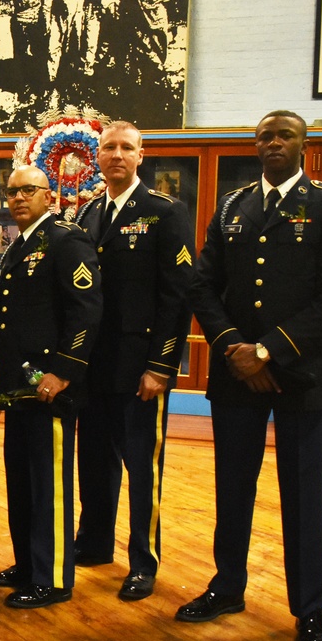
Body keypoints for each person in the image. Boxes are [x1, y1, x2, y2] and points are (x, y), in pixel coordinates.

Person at [177, 111, 322, 641]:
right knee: (233, 489)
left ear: (305, 144)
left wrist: (267, 350)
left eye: (285, 136)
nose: (274, 143)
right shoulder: (232, 204)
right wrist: (234, 346)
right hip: (236, 377)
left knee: (302, 498)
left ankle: (309, 611)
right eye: (265, 136)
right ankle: (227, 587)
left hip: (297, 375)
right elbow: (204, 286)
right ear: (255, 145)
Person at [0, 165, 101, 608]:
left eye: (28, 191)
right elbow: (6, 313)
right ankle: (27, 563)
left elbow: (86, 310)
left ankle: (53, 577)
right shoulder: (21, 243)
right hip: (17, 388)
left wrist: (64, 371)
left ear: (48, 195)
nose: (18, 198)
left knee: (49, 485)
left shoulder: (65, 239)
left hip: (50, 388)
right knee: (21, 481)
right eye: (12, 191)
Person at [73, 121, 194, 601]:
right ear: (97, 157)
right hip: (93, 367)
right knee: (94, 462)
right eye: (109, 148)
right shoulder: (86, 213)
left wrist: (162, 365)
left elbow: (178, 294)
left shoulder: (165, 212)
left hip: (141, 367)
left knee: (143, 470)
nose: (117, 155)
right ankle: (96, 542)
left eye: (127, 148)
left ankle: (143, 560)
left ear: (141, 156)